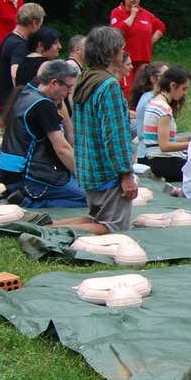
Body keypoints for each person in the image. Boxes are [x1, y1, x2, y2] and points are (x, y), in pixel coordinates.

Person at [0, 59, 103, 230]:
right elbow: (62, 149)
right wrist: (87, 178)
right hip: (29, 177)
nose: (69, 92)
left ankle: (21, 196)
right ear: (54, 83)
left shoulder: (26, 92)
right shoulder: (43, 105)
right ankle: (27, 201)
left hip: (8, 171)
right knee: (93, 198)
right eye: (68, 87)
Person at [69, 27, 140, 235]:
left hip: (88, 168)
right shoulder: (109, 86)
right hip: (107, 172)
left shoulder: (84, 80)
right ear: (112, 52)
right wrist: (126, 175)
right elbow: (115, 136)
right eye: (121, 49)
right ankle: (48, 231)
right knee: (112, 228)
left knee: (95, 218)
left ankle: (47, 226)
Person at [139, 64, 191, 183]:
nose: (186, 93)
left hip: (159, 161)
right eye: (184, 88)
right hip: (164, 162)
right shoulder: (163, 109)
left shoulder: (155, 102)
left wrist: (187, 138)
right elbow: (165, 146)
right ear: (173, 85)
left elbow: (161, 139)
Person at [109, 0, 165, 92]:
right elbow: (117, 31)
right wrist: (132, 16)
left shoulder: (145, 13)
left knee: (141, 87)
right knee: (127, 89)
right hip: (125, 59)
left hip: (143, 58)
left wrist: (150, 41)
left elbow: (161, 26)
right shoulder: (117, 12)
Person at [0, 2, 46, 108]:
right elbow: (15, 74)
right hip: (16, 105)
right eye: (39, 25)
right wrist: (22, 100)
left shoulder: (7, 39)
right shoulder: (20, 45)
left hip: (5, 101)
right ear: (34, 23)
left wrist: (3, 88)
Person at [12, 26, 62, 91]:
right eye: (54, 43)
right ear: (40, 45)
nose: (59, 46)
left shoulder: (22, 62)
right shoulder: (46, 65)